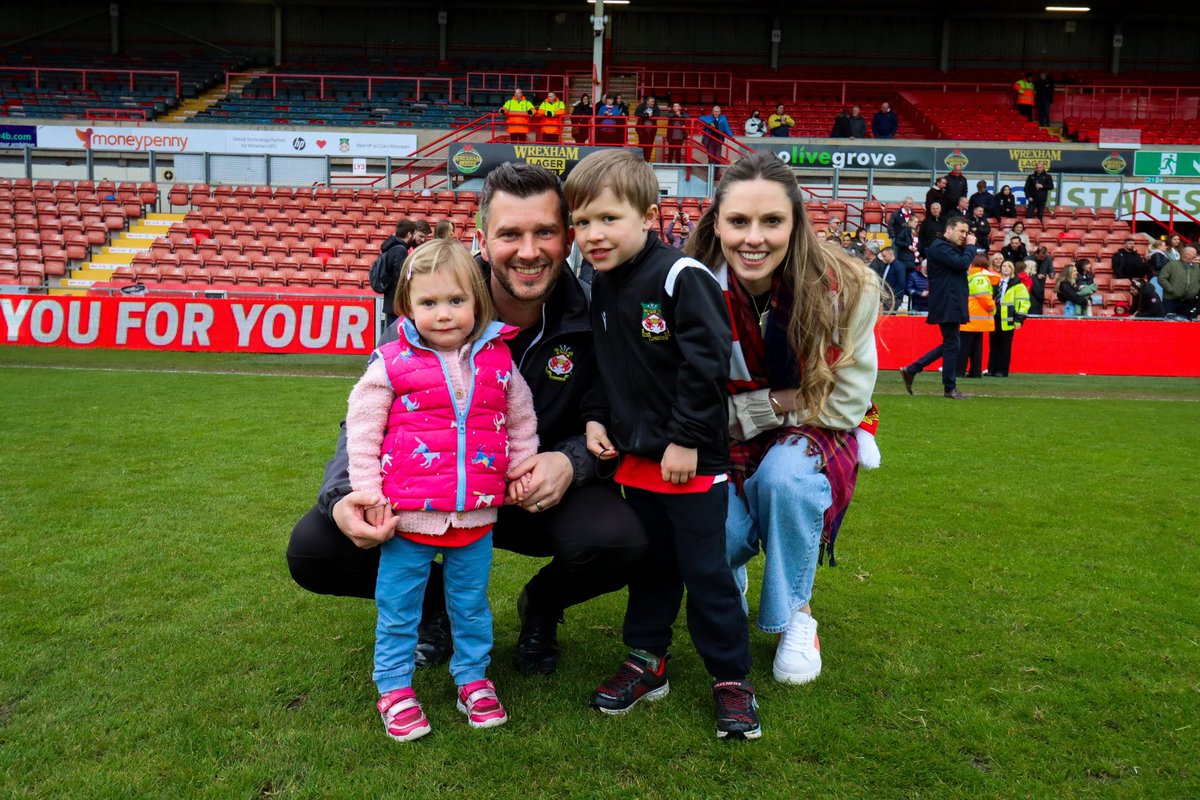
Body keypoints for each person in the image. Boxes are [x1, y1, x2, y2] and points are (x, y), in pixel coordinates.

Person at [287, 162, 648, 678]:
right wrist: (345, 494)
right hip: (428, 491)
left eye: (544, 231)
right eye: (510, 234)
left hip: (531, 493)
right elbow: (365, 417)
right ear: (482, 238)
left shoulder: (599, 316)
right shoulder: (431, 302)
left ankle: (542, 606)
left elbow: (616, 419)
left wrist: (570, 464)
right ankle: (437, 607)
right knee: (316, 550)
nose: (528, 251)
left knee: (620, 542)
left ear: (568, 238)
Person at [565, 149, 759, 740]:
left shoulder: (681, 276)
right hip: (636, 463)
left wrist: (686, 441)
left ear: (649, 215)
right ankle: (647, 662)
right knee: (651, 568)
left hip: (690, 461)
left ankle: (731, 680)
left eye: (607, 219)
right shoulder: (597, 285)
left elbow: (706, 367)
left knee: (705, 571)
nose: (593, 235)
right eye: (581, 222)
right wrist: (596, 419)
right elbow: (603, 369)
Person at [683, 152, 880, 691]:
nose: (754, 238)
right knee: (717, 529)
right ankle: (735, 570)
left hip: (809, 435)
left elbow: (844, 405)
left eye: (772, 221)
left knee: (786, 479)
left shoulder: (849, 285)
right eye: (738, 221)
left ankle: (798, 614)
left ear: (796, 223)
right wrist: (774, 403)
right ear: (715, 222)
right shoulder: (685, 287)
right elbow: (683, 401)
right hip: (720, 434)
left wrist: (754, 411)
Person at [349, 239, 540, 741]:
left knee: (471, 605)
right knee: (398, 608)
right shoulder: (390, 361)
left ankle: (473, 679)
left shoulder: (499, 359)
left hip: (475, 519)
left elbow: (520, 420)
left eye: (455, 301)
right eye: (428, 303)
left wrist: (521, 467)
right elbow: (363, 430)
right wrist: (368, 494)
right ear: (407, 305)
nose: (443, 314)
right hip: (406, 521)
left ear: (477, 301)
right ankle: (393, 687)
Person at [899, 215, 977, 399]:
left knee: (952, 343)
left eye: (966, 232)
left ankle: (913, 369)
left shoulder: (946, 247)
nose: (965, 236)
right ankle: (948, 387)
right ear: (948, 230)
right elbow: (961, 263)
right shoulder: (940, 247)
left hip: (950, 299)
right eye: (961, 231)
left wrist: (967, 248)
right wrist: (972, 246)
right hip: (946, 300)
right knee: (952, 343)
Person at [370, 219, 428, 328]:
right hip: (397, 305)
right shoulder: (400, 251)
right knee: (396, 336)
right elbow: (401, 278)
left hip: (390, 303)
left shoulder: (391, 248)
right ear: (409, 234)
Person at [987, 260, 1030, 377]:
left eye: (1008, 266)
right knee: (993, 344)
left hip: (1008, 318)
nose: (1006, 268)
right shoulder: (996, 283)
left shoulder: (1018, 286)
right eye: (1004, 266)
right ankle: (992, 369)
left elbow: (1023, 304)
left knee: (1005, 345)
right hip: (995, 317)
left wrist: (1019, 319)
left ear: (1012, 270)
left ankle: (1002, 370)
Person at [957, 254, 997, 380]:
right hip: (979, 319)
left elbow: (983, 297)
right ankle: (975, 372)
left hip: (971, 318)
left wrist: (992, 308)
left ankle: (959, 371)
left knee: (964, 347)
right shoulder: (981, 277)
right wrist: (991, 309)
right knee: (976, 347)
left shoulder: (976, 278)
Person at [1159, 245, 1200, 318]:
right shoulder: (1172, 264)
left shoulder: (1196, 267)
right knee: (1170, 324)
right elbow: (1162, 278)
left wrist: (1195, 291)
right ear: (1186, 255)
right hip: (1171, 301)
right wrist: (1170, 289)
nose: (1196, 256)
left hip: (1188, 301)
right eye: (1194, 254)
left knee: (1186, 325)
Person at [869, 246, 905, 312]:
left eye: (884, 256)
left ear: (890, 254)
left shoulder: (899, 266)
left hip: (893, 297)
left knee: (887, 316)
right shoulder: (885, 266)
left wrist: (892, 295)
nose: (883, 258)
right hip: (884, 296)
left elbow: (901, 283)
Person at [633, 95, 660, 160]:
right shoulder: (641, 106)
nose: (653, 103)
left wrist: (651, 115)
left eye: (653, 102)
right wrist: (646, 115)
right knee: (641, 144)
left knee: (650, 145)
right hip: (642, 130)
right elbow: (636, 113)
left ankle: (648, 160)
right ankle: (640, 159)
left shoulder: (655, 107)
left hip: (652, 130)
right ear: (647, 102)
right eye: (652, 102)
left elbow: (657, 114)